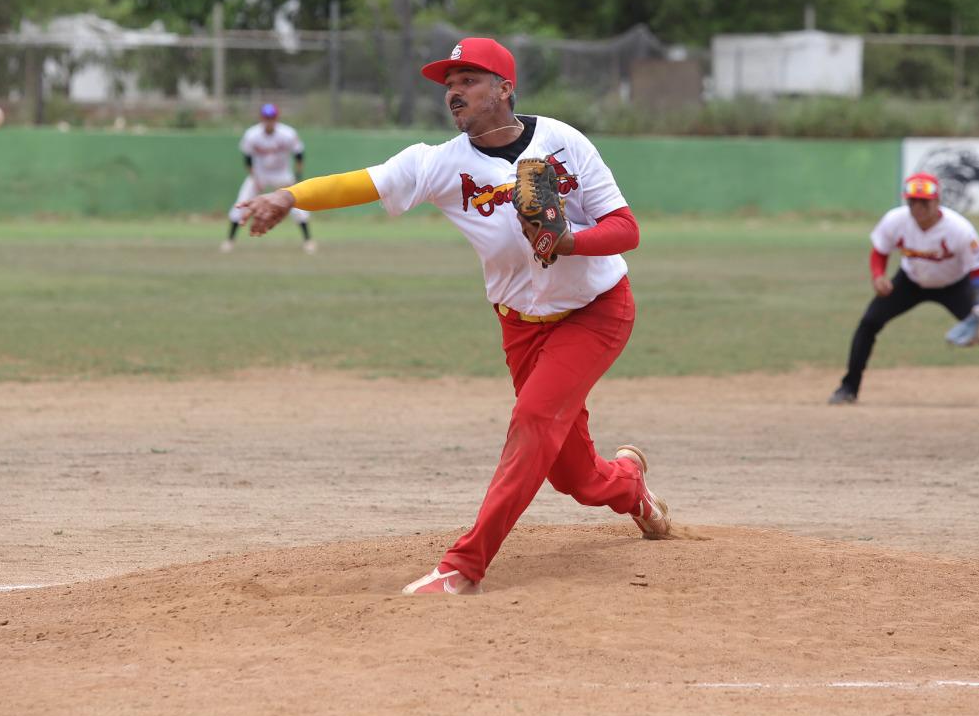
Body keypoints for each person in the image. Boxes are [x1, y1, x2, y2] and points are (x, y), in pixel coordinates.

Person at [239, 37, 673, 595]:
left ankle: (464, 566)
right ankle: (629, 484)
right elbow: (365, 181)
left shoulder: (564, 142)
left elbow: (626, 229)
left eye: (468, 79)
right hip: (520, 325)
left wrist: (567, 240)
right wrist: (288, 196)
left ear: (504, 88)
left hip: (596, 310)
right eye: (449, 84)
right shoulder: (439, 164)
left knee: (534, 422)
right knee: (572, 476)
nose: (454, 92)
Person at [829, 171, 979, 407]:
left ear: (937, 201)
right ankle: (849, 387)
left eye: (923, 202)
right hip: (910, 281)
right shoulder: (895, 221)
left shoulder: (959, 229)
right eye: (912, 201)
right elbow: (880, 250)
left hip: (954, 285)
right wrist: (878, 276)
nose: (917, 207)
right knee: (869, 323)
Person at [221, 102, 315, 254]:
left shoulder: (288, 133)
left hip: (283, 175)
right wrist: (254, 178)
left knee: (298, 206)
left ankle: (308, 241)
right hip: (260, 174)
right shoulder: (252, 134)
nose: (269, 120)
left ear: (276, 118)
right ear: (261, 118)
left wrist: (298, 178)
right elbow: (247, 159)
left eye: (271, 117)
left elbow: (299, 155)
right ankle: (229, 241)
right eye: (266, 117)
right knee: (242, 202)